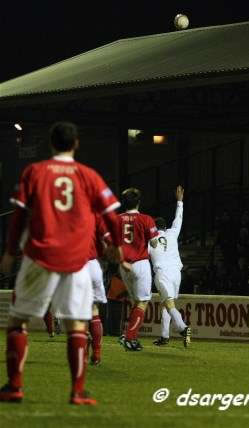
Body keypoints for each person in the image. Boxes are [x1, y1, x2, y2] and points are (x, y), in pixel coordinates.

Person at [0, 121, 125, 405]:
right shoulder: (89, 175)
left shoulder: (34, 171)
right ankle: (77, 391)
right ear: (76, 143)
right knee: (76, 324)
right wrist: (117, 246)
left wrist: (9, 251)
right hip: (77, 261)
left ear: (51, 143)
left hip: (39, 257)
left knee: (18, 320)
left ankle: (15, 386)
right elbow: (111, 216)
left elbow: (19, 215)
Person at [149, 186, 191, 347]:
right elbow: (178, 218)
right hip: (176, 274)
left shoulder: (151, 241)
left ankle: (183, 328)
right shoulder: (172, 233)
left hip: (162, 273)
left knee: (168, 303)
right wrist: (180, 201)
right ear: (165, 228)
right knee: (166, 303)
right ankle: (164, 336)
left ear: (154, 228)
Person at [119, 188, 159, 351]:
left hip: (124, 266)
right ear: (138, 203)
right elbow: (154, 243)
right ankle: (130, 338)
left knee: (136, 301)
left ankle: (128, 335)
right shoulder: (146, 219)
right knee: (143, 302)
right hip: (140, 263)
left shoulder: (117, 219)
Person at [86, 213, 111, 365]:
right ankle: (96, 353)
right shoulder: (95, 216)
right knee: (94, 311)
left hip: (75, 265)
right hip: (93, 265)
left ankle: (82, 350)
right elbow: (106, 243)